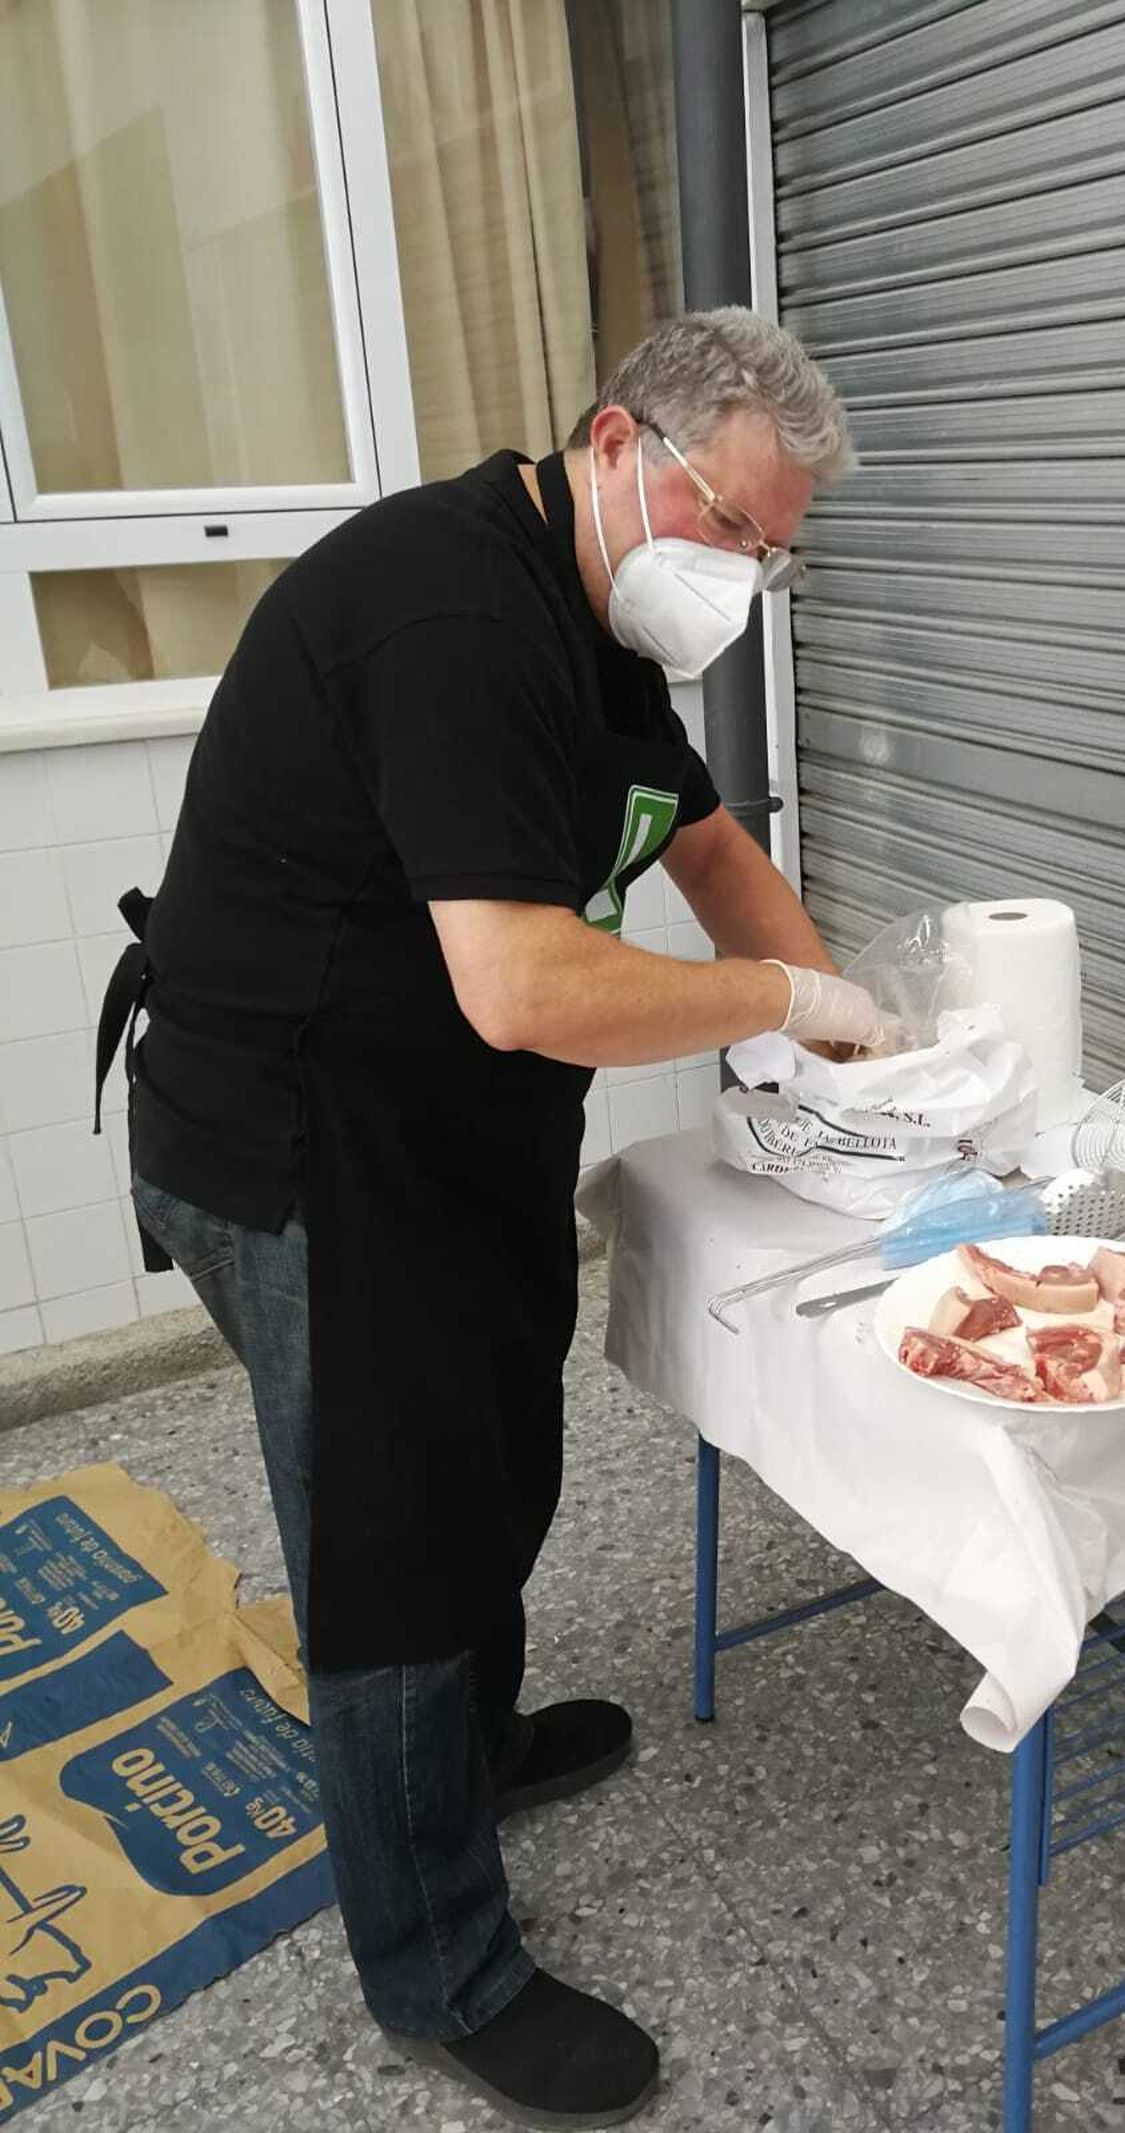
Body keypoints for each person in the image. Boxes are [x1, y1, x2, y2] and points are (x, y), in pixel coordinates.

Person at [93, 308, 883, 2129]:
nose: (745, 579)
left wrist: (849, 1023)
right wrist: (776, 1016)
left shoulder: (593, 610)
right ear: (619, 442)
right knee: (393, 1542)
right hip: (302, 1147)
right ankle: (439, 1964)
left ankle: (478, 1751)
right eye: (731, 530)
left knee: (493, 1450)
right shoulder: (453, 615)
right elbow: (523, 982)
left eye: (774, 553)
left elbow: (702, 845)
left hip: (440, 1139)